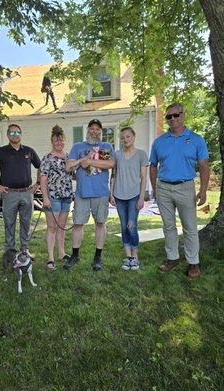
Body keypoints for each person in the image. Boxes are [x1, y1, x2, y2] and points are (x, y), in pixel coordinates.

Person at [149, 102, 210, 278]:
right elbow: (153, 166)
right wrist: (154, 188)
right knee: (168, 227)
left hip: (186, 187)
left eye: (176, 115)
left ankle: (193, 263)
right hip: (164, 188)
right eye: (169, 116)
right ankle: (172, 258)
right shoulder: (159, 142)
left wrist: (204, 190)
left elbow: (204, 166)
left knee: (190, 227)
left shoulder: (196, 139)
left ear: (183, 115)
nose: (173, 119)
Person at [64, 119, 115, 271]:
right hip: (82, 193)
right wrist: (83, 160)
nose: (94, 131)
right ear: (87, 130)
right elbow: (68, 166)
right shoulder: (78, 146)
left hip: (101, 193)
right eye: (91, 129)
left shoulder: (106, 147)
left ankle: (98, 256)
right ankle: (75, 255)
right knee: (78, 224)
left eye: (97, 129)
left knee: (100, 223)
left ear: (101, 131)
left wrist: (90, 163)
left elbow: (110, 164)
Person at [0, 124, 41, 254]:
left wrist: (38, 183)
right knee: (9, 223)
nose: (15, 135)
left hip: (27, 192)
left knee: (26, 222)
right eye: (12, 133)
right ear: (7, 135)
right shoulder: (0, 152)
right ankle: (10, 251)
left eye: (17, 133)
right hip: (9, 194)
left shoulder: (29, 151)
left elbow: (40, 166)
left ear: (21, 134)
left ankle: (24, 249)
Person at [110, 127, 148, 270]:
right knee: (123, 226)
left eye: (128, 136)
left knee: (131, 227)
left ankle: (135, 256)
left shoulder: (141, 155)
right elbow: (113, 175)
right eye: (123, 137)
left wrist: (141, 197)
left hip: (134, 196)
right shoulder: (117, 155)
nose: (125, 139)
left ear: (133, 137)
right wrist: (111, 193)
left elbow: (144, 177)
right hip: (119, 196)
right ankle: (127, 257)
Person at [40, 125, 73, 270]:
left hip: (66, 196)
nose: (59, 143)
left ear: (64, 141)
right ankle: (50, 258)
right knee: (52, 227)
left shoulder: (68, 157)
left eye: (61, 141)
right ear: (52, 142)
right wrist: (45, 197)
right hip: (53, 197)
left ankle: (61, 253)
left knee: (62, 227)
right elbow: (43, 179)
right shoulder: (47, 158)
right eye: (56, 141)